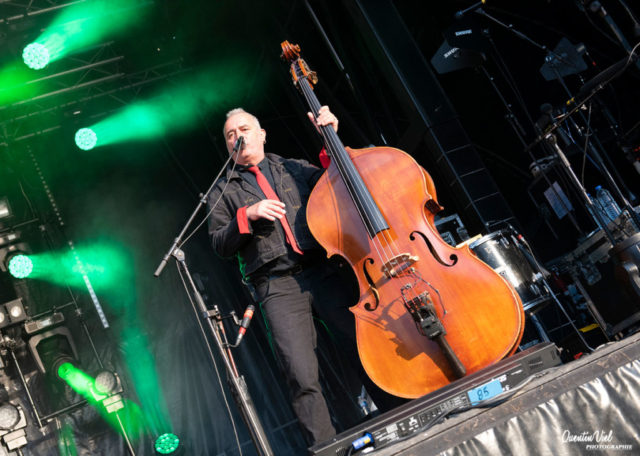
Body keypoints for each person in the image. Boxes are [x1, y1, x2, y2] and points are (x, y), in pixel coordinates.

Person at [207, 106, 404, 445]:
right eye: (230, 134)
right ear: (228, 147)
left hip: (323, 269)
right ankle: (327, 450)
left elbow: (338, 181)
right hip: (276, 285)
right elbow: (218, 242)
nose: (237, 136)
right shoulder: (223, 190)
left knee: (366, 349)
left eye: (243, 128)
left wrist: (331, 138)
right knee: (300, 374)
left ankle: (404, 415)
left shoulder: (292, 167)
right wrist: (247, 214)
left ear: (262, 134)